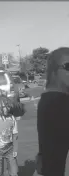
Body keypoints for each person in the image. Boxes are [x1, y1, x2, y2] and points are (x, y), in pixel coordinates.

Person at [36, 47, 69, 176]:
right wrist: (43, 155)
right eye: (68, 66)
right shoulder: (56, 102)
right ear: (54, 71)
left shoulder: (46, 100)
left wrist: (41, 154)